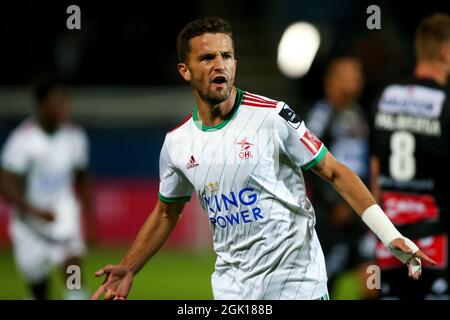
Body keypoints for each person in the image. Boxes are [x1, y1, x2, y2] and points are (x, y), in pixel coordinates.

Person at [92, 17, 434, 300]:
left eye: (226, 55)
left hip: (297, 283)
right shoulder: (177, 144)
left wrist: (390, 235)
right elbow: (167, 211)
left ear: (236, 63)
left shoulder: (272, 117)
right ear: (185, 70)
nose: (219, 65)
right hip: (232, 291)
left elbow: (336, 172)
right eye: (207, 58)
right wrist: (129, 266)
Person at [370, 13, 450, 300]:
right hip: (434, 241)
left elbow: (375, 172)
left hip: (390, 239)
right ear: (444, 52)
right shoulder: (445, 103)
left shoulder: (385, 96)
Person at [0, 79, 92, 300]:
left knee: (72, 268)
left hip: (63, 214)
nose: (64, 108)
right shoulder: (23, 141)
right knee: (39, 289)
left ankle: (76, 294)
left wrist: (91, 216)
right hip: (29, 223)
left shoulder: (75, 137)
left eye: (65, 102)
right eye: (57, 103)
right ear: (41, 105)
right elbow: (6, 184)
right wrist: (33, 210)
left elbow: (82, 179)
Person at [306, 57, 377, 299]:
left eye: (357, 77)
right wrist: (334, 202)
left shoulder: (360, 115)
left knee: (372, 283)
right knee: (325, 284)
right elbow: (310, 162)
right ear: (331, 82)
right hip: (330, 217)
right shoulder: (321, 114)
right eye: (348, 77)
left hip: (359, 213)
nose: (355, 82)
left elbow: (371, 162)